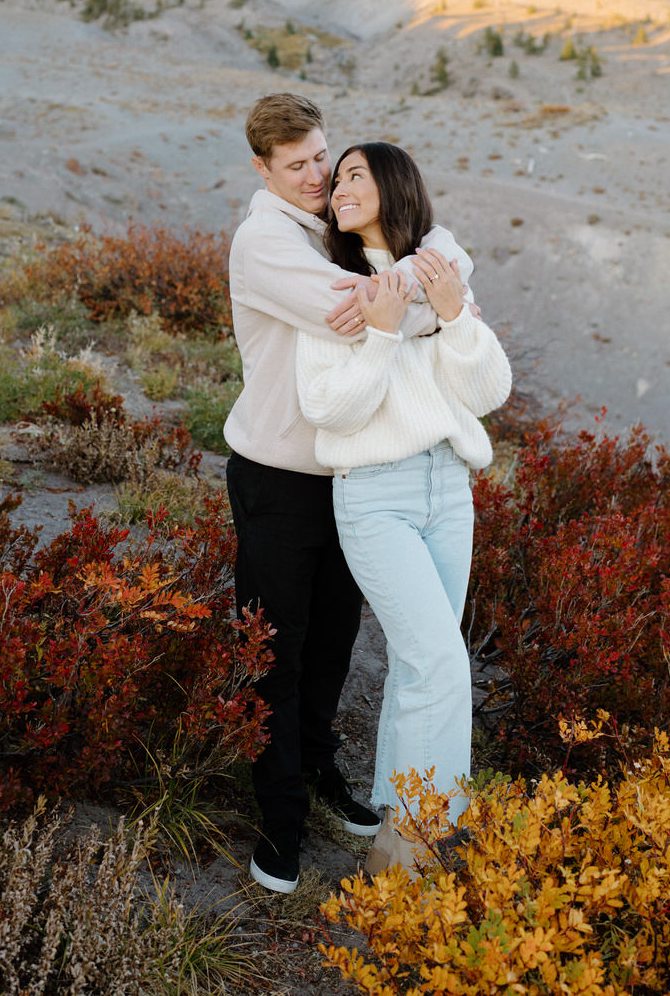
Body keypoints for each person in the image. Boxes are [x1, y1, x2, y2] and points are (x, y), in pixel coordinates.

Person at [225, 94, 473, 893]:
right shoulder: (265, 241)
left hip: (352, 476)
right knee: (277, 649)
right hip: (278, 477)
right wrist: (432, 297)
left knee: (334, 642)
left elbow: (442, 249)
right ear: (262, 169)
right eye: (294, 164)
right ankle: (279, 819)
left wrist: (441, 274)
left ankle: (323, 772)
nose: (314, 175)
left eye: (320, 158)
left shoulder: (331, 228)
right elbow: (355, 314)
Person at [295, 142, 512, 874]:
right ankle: (419, 841)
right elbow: (329, 407)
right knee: (440, 661)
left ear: (393, 187)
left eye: (356, 174)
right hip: (375, 492)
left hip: (448, 486)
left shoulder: (441, 277)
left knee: (425, 667)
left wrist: (454, 318)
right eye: (338, 179)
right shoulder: (331, 291)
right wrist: (382, 332)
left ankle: (398, 836)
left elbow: (487, 394)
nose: (338, 187)